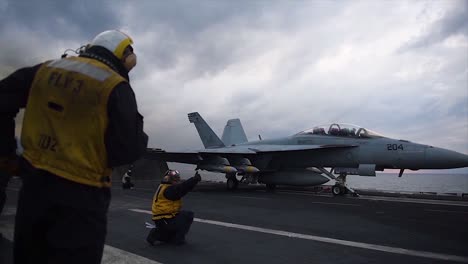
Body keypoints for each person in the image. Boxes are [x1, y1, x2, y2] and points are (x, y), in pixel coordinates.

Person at [0, 29, 148, 264]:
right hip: (83, 197)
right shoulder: (114, 86)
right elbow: (127, 148)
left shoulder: (47, 70)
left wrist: (7, 154)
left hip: (34, 187)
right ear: (123, 55)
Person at [146, 170, 201, 245]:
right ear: (168, 179)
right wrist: (194, 180)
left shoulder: (163, 187)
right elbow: (181, 188)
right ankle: (178, 239)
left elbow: (181, 188)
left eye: (177, 178)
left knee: (168, 238)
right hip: (165, 219)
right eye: (174, 179)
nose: (177, 181)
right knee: (188, 215)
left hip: (164, 218)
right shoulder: (168, 189)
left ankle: (156, 234)